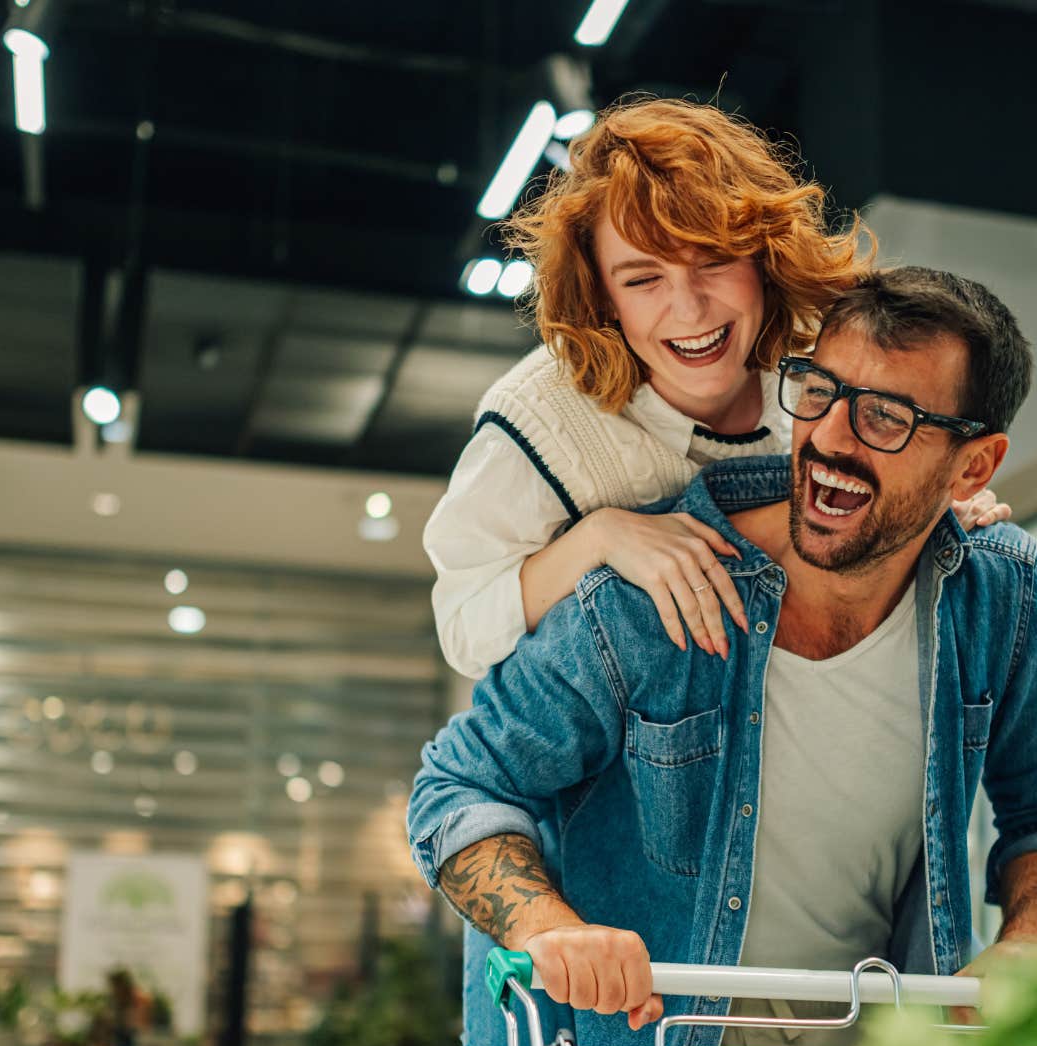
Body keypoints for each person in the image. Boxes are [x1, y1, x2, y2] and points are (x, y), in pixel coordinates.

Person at [409, 267, 1037, 1046]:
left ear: (972, 468)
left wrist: (1029, 942)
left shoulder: (1008, 600)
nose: (832, 441)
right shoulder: (653, 594)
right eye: (819, 392)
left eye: (886, 417)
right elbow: (460, 787)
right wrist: (545, 927)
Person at [423, 97, 1005, 681]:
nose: (690, 309)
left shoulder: (818, 360)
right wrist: (597, 538)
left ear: (763, 255)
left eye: (714, 261)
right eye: (644, 279)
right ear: (603, 295)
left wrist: (934, 505)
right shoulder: (539, 419)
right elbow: (463, 627)